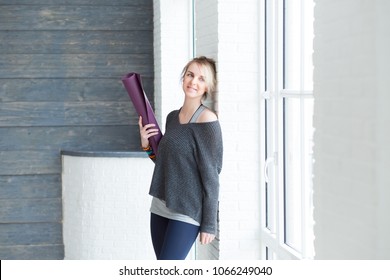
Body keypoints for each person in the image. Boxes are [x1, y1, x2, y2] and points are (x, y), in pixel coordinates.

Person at [138, 56, 223, 260]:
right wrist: (145, 143)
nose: (193, 82)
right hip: (160, 205)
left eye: (201, 79)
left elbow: (212, 176)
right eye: (190, 75)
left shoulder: (207, 121)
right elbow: (165, 164)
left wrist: (209, 224)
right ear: (183, 77)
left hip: (186, 211)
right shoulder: (172, 118)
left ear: (207, 87)